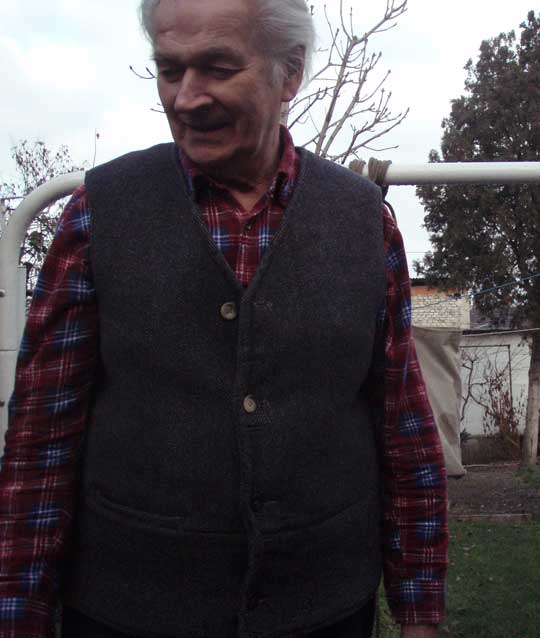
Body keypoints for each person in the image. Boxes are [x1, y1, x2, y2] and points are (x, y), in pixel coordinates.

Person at [0, 1, 448, 637]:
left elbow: (404, 432)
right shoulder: (97, 216)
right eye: (169, 69)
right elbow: (41, 443)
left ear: (289, 72)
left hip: (324, 612)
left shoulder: (364, 225)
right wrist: (19, 614)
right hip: (126, 614)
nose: (186, 98)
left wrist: (420, 611)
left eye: (217, 68)